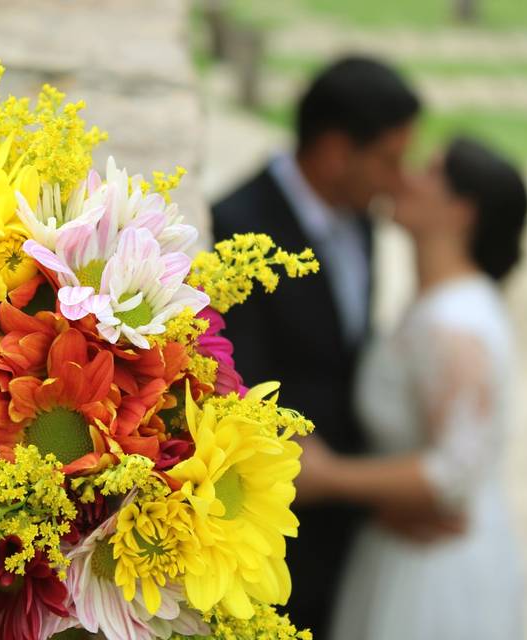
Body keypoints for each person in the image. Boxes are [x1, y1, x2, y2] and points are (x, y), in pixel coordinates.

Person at [211, 56, 422, 635]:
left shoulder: (361, 220)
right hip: (283, 528)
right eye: (389, 160)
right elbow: (240, 385)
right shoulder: (235, 227)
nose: (399, 180)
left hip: (345, 522)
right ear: (335, 152)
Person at [296, 137, 527, 640]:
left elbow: (454, 473)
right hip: (401, 540)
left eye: (430, 172)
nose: (405, 176)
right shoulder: (439, 304)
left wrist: (329, 477)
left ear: (461, 211)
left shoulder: (455, 325)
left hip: (437, 570)